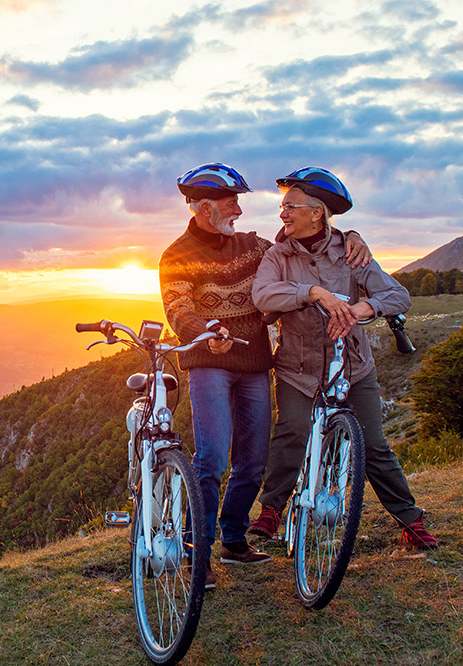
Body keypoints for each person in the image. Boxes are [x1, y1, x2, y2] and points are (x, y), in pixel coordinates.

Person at [159, 164, 375, 579]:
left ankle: (233, 539)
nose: (239, 210)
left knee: (253, 461)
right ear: (204, 209)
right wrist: (206, 331)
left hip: (256, 363)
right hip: (209, 364)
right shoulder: (177, 255)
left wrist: (350, 235)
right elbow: (177, 308)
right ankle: (196, 554)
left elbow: (304, 239)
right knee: (212, 459)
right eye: (231, 203)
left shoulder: (255, 247)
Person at [248, 166, 439, 550]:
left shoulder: (351, 251)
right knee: (293, 433)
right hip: (297, 368)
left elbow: (398, 295)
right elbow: (263, 296)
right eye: (282, 207)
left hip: (353, 365)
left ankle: (411, 519)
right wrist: (313, 292)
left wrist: (363, 309)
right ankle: (271, 510)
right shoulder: (277, 254)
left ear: (317, 212)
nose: (282, 214)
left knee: (373, 445)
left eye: (290, 207)